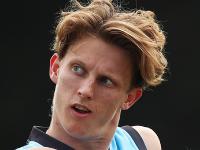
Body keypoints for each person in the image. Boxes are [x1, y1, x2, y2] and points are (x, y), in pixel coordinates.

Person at [17, 0, 167, 149]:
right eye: (77, 69)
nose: (86, 91)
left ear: (130, 98)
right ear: (55, 68)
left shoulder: (144, 143)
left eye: (106, 81)